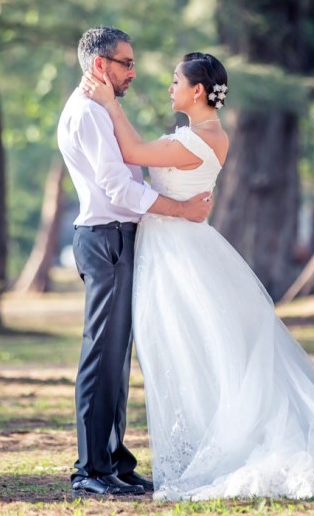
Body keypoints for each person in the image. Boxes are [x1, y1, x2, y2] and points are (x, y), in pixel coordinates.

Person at [80, 51, 314, 501]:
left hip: (179, 252)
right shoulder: (198, 133)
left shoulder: (201, 139)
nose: (169, 87)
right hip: (169, 247)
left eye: (176, 81)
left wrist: (109, 103)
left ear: (197, 91)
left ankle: (217, 443)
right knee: (181, 350)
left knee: (192, 350)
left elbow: (133, 152)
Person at [58, 27, 213, 498]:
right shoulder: (87, 113)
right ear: (100, 65)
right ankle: (90, 469)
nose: (134, 71)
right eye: (126, 63)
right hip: (105, 239)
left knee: (117, 357)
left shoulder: (101, 110)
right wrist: (183, 211)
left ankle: (115, 462)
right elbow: (119, 190)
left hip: (119, 237)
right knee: (101, 356)